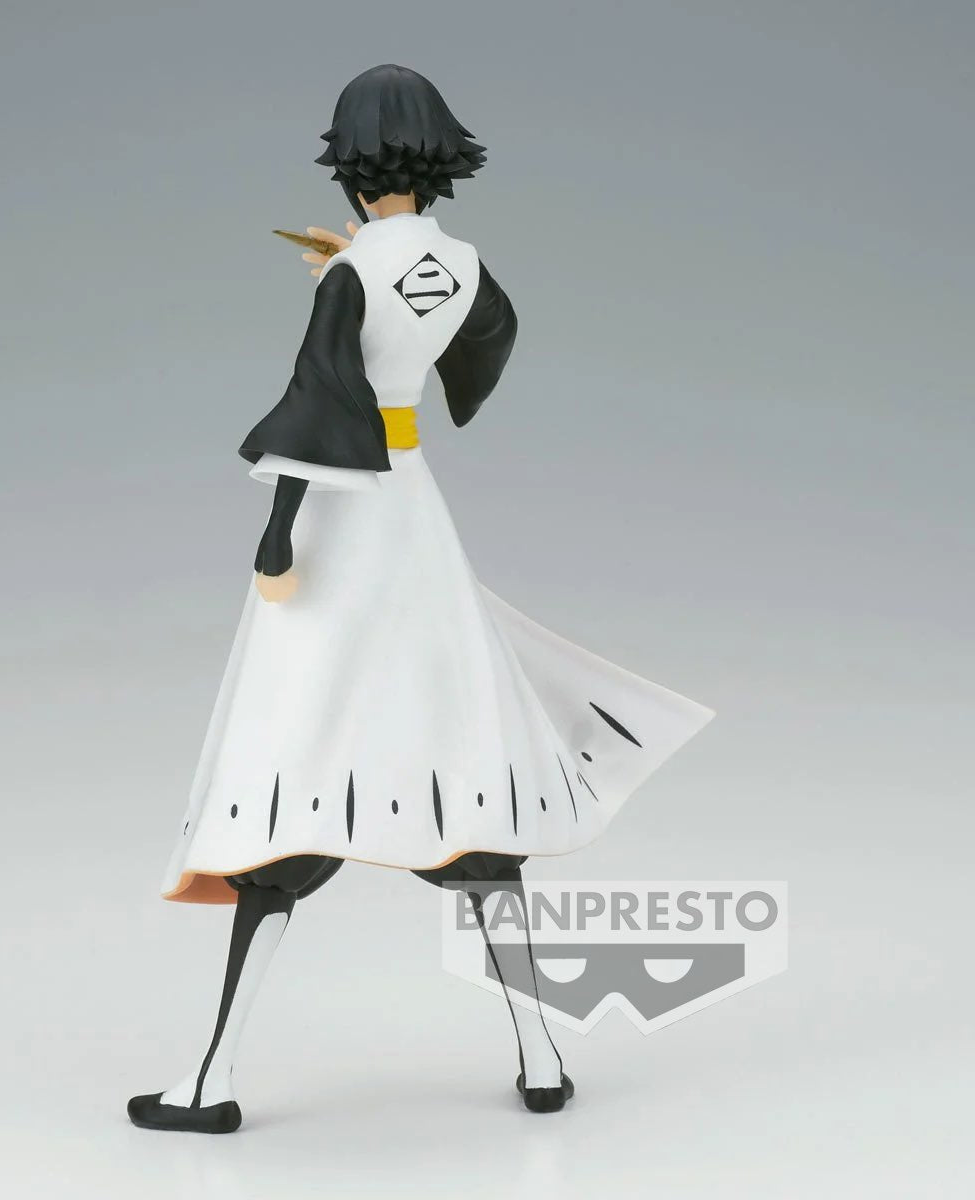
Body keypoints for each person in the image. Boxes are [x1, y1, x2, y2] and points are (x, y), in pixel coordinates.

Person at [128, 64, 713, 1133]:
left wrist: (275, 534)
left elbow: (320, 401)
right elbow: (487, 334)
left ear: (350, 170)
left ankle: (209, 1084)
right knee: (460, 764)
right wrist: (398, 314)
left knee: (294, 760)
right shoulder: (460, 259)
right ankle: (542, 1059)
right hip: (415, 511)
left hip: (343, 524)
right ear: (439, 165)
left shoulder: (347, 276)